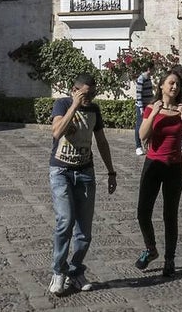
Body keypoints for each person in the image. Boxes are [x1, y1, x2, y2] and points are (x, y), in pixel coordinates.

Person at [47, 73, 116, 297]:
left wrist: (111, 171)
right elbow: (57, 132)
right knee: (65, 221)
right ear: (74, 89)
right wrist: (74, 106)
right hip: (61, 171)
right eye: (85, 94)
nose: (89, 98)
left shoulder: (94, 110)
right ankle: (59, 271)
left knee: (84, 231)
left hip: (85, 172)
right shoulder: (62, 104)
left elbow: (102, 142)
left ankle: (75, 272)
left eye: (93, 93)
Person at [135, 67, 182, 278]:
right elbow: (143, 135)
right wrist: (155, 113)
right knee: (143, 212)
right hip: (153, 165)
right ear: (161, 86)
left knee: (170, 215)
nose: (174, 86)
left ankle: (170, 259)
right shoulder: (152, 108)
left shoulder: (181, 110)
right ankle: (150, 249)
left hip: (174, 167)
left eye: (177, 84)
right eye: (171, 83)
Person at [133, 64, 154, 157]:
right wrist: (141, 108)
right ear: (149, 69)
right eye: (153, 69)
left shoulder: (148, 78)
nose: (154, 71)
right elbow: (138, 94)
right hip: (142, 106)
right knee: (139, 125)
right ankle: (138, 146)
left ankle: (147, 146)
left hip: (149, 105)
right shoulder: (141, 78)